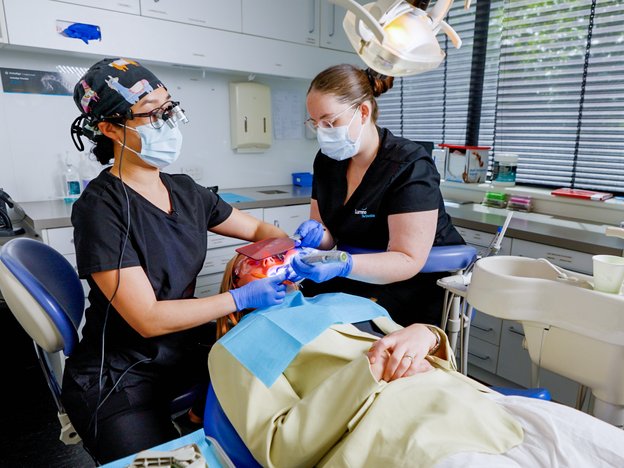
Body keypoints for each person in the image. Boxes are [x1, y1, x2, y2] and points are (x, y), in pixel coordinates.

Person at [61, 57, 289, 464]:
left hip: (183, 352)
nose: (168, 122)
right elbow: (147, 318)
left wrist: (287, 250)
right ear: (110, 128)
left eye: (169, 108)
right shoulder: (100, 209)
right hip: (119, 376)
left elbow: (259, 232)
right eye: (152, 114)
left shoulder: (186, 192)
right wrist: (241, 298)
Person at [209, 249, 624, 468]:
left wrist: (426, 333)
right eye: (253, 262)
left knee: (601, 444)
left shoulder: (341, 301)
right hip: (399, 434)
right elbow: (282, 450)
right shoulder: (238, 346)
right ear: (234, 283)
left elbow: (434, 359)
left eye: (278, 254)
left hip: (474, 404)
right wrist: (366, 371)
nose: (272, 261)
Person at [290, 64, 465, 327]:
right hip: (360, 276)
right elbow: (327, 238)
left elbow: (407, 259)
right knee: (294, 313)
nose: (323, 133)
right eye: (316, 123)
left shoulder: (409, 164)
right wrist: (317, 234)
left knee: (337, 334)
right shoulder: (328, 162)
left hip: (417, 286)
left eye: (330, 122)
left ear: (363, 112)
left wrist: (343, 264)